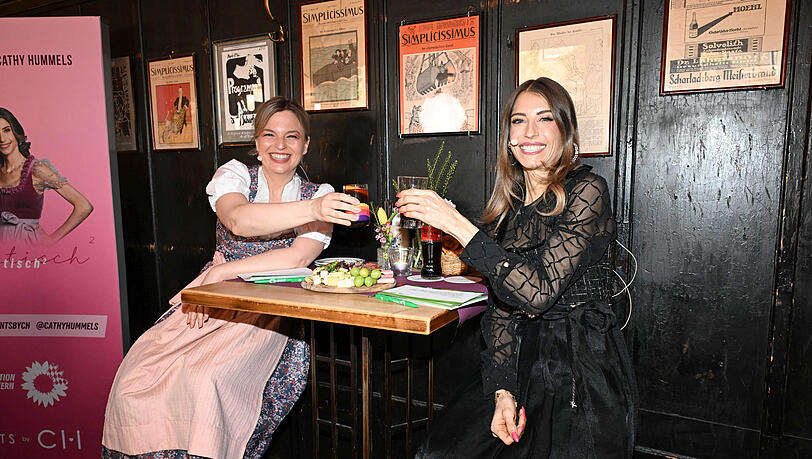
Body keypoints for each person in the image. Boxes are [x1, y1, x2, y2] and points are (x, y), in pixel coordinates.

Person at [102, 97, 362, 458]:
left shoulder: (319, 195)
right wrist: (313, 211)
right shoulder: (236, 175)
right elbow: (238, 219)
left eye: (291, 136)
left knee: (205, 380)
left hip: (271, 303)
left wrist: (222, 270)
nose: (280, 145)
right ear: (256, 141)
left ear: (305, 145)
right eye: (269, 135)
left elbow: (298, 257)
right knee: (136, 375)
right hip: (216, 294)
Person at [398, 77, 636, 458]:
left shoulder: (588, 190)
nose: (529, 132)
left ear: (565, 131)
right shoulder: (507, 211)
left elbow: (538, 292)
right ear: (508, 138)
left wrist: (457, 224)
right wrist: (502, 391)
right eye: (518, 120)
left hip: (578, 369)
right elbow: (502, 310)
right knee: (438, 451)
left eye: (544, 119)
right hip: (519, 361)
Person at [0, 107, 93, 245]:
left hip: (28, 248)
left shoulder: (37, 170)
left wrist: (52, 239)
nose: (2, 139)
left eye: (6, 130)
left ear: (16, 131)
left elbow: (84, 205)